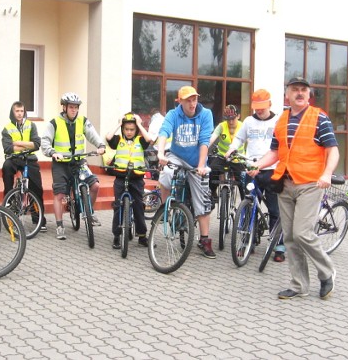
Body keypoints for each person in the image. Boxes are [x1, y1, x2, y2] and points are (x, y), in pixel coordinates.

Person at [250, 77, 339, 300]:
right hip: (285, 184)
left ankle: (327, 272)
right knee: (289, 237)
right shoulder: (281, 121)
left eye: (303, 90)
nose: (299, 93)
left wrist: (327, 173)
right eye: (294, 90)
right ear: (287, 95)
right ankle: (299, 285)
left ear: (309, 95)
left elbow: (333, 150)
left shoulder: (319, 118)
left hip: (310, 184)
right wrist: (258, 165)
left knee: (302, 233)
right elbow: (275, 152)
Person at [156, 86, 215, 258]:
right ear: (180, 101)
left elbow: (205, 141)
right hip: (177, 156)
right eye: (188, 100)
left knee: (202, 199)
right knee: (166, 173)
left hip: (198, 161)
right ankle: (165, 208)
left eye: (194, 99)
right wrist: (160, 153)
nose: (192, 104)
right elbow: (164, 132)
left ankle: (204, 240)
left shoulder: (205, 114)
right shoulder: (173, 115)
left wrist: (201, 165)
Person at [226, 89, 284, 262]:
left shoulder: (278, 121)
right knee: (248, 205)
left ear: (269, 104)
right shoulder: (249, 122)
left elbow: (283, 146)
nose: (259, 110)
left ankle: (279, 246)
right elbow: (239, 139)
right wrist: (231, 149)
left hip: (272, 170)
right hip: (251, 168)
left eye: (262, 107)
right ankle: (246, 241)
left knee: (274, 209)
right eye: (256, 107)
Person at [41, 92, 106, 240]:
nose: (74, 110)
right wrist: (52, 152)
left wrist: (100, 145)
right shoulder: (54, 122)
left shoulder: (83, 121)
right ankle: (59, 225)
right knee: (59, 194)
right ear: (64, 107)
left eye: (76, 107)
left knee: (95, 185)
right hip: (61, 164)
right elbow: (44, 142)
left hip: (78, 162)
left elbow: (92, 134)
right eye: (71, 107)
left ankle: (90, 212)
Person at [105, 112, 152, 249]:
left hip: (136, 179)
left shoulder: (140, 140)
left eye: (132, 129)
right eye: (126, 129)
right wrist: (119, 124)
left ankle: (142, 236)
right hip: (120, 177)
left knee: (139, 206)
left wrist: (139, 124)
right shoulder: (118, 140)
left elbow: (148, 139)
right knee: (118, 206)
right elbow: (108, 137)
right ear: (123, 129)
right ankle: (117, 236)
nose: (129, 132)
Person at [1, 100, 47, 232]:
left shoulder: (31, 125)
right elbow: (8, 148)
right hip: (14, 159)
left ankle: (39, 219)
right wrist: (28, 144)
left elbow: (37, 144)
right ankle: (9, 199)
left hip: (29, 159)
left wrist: (18, 142)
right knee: (6, 167)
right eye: (17, 111)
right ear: (13, 112)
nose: (20, 114)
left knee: (37, 188)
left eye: (22, 111)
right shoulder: (7, 128)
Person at [209, 105, 246, 201]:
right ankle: (213, 192)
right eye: (228, 119)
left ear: (238, 116)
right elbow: (212, 138)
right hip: (222, 156)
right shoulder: (221, 126)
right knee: (212, 170)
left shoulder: (243, 126)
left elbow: (250, 141)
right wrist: (204, 149)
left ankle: (245, 205)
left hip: (237, 158)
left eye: (233, 119)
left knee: (242, 181)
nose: (230, 122)